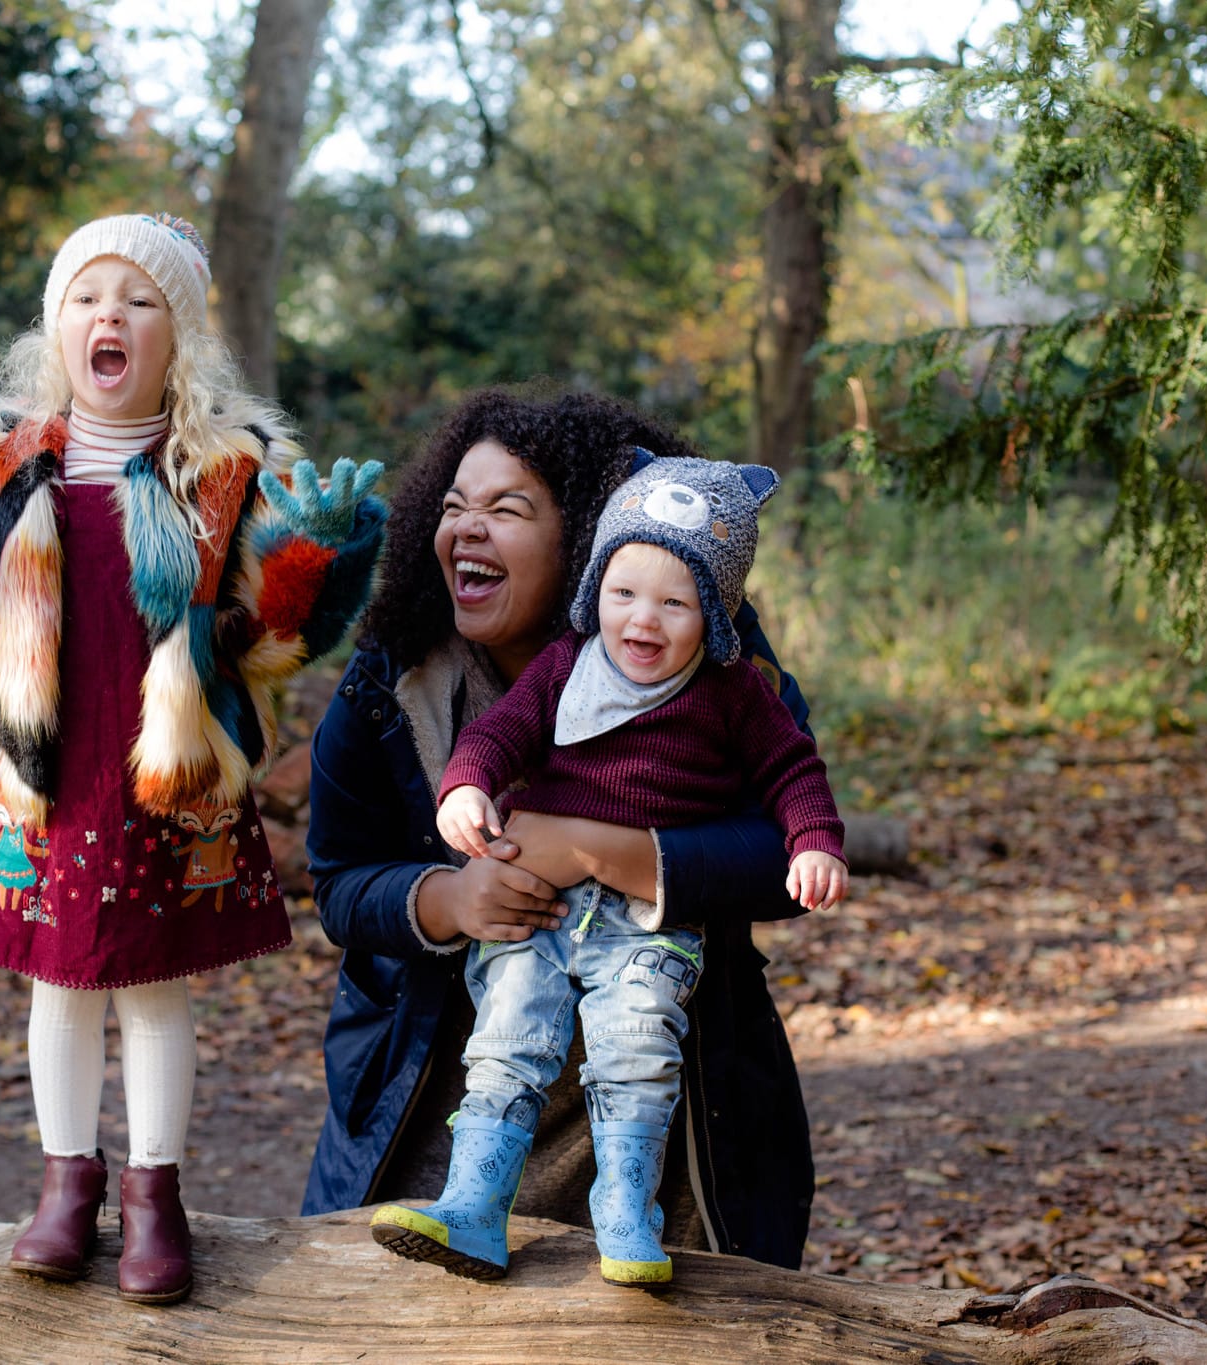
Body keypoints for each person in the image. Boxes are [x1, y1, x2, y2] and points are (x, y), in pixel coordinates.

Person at [0, 212, 386, 1304]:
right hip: (45, 772)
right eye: (87, 297)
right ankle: (66, 1185)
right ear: (54, 327)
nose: (109, 315)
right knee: (58, 986)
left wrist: (318, 552)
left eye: (140, 300)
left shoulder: (222, 474)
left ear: (181, 340)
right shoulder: (0, 463)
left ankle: (155, 1197)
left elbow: (273, 638)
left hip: (165, 777)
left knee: (155, 986)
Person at [299, 388, 822, 1276]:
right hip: (436, 1114)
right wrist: (449, 897)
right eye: (455, 506)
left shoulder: (709, 662)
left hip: (667, 1118)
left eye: (507, 509)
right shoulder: (392, 682)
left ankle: (626, 1214)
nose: (468, 527)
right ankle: (474, 1204)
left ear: (584, 535)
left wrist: (588, 848)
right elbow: (340, 882)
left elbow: (788, 853)